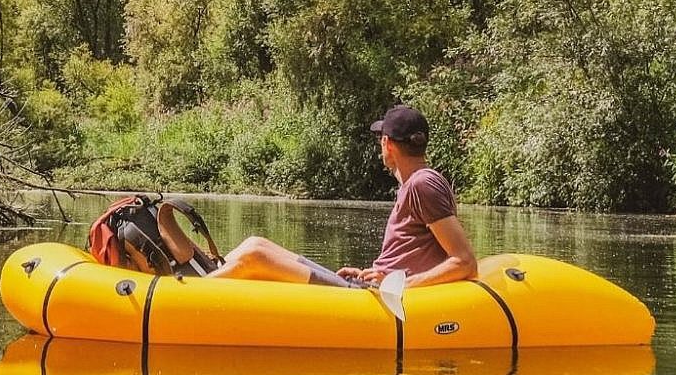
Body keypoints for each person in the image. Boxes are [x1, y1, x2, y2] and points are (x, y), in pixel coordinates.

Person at [152, 104, 478, 291]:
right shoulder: (416, 183)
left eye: (381, 140)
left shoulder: (423, 184)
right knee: (255, 245)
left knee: (256, 259)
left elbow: (464, 262)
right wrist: (375, 270)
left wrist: (399, 283)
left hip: (373, 298)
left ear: (388, 145)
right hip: (369, 285)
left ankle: (184, 298)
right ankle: (199, 281)